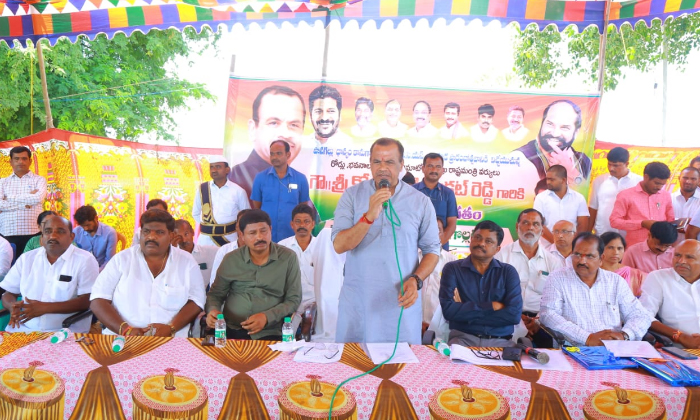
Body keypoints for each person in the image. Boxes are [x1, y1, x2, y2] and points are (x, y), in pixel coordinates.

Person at [332, 138, 440, 344]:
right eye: (377, 162)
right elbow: (339, 245)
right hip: (358, 303)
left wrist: (416, 280)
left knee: (401, 371)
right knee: (354, 366)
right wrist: (369, 215)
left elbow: (433, 250)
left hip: (399, 305)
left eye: (389, 162)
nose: (382, 168)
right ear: (370, 164)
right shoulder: (352, 196)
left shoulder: (420, 202)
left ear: (401, 165)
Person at [90, 209, 206, 337]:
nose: (151, 237)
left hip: (171, 341)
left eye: (159, 232)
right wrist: (125, 329)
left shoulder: (187, 262)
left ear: (171, 236)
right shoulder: (122, 259)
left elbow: (197, 300)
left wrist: (171, 328)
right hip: (123, 339)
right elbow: (98, 299)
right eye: (146, 231)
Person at [539, 233, 652, 346]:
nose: (582, 261)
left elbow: (640, 315)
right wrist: (587, 338)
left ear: (601, 259)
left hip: (614, 347)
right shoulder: (557, 278)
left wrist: (625, 335)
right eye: (577, 255)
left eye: (589, 256)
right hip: (574, 349)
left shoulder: (615, 282)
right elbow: (548, 315)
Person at [206, 210, 302, 340]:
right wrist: (213, 310)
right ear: (242, 235)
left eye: (264, 231)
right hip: (232, 330)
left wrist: (266, 317)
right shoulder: (231, 259)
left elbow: (293, 299)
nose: (259, 237)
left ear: (270, 230)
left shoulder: (288, 258)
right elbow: (216, 294)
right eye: (252, 233)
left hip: (271, 331)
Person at [0, 215, 99, 333]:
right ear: (42, 237)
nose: (52, 236)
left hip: (64, 333)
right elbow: (8, 293)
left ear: (71, 236)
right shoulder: (26, 259)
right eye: (48, 231)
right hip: (22, 331)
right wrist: (12, 306)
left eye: (60, 231)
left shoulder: (85, 260)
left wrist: (45, 308)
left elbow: (87, 301)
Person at [440, 220, 523, 347]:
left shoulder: (508, 272)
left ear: (497, 249)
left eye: (488, 241)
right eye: (477, 238)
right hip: (463, 339)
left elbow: (513, 315)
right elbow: (449, 311)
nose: (481, 243)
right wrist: (491, 306)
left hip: (501, 341)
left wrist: (466, 314)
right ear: (471, 239)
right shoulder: (453, 269)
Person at [495, 209, 563, 347]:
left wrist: (538, 321)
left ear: (542, 230)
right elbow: (494, 292)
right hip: (507, 317)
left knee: (550, 354)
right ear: (517, 227)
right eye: (525, 222)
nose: (530, 227)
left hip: (541, 322)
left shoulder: (553, 262)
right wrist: (514, 316)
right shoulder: (502, 257)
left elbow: (557, 298)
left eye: (535, 224)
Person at [229, 85, 306, 199]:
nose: (284, 134)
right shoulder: (236, 180)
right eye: (273, 123)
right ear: (253, 129)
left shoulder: (298, 179)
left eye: (294, 125)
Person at [513, 100, 592, 186]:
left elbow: (587, 196)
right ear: (542, 123)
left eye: (564, 128)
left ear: (576, 132)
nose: (555, 133)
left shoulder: (585, 161)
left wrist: (571, 172)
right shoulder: (519, 158)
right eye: (550, 124)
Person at [640, 240, 700, 348]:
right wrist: (681, 337)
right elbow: (643, 316)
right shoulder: (659, 278)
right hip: (680, 349)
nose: (681, 261)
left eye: (689, 257)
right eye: (677, 255)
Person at [251, 141, 311, 243]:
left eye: (278, 153)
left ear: (288, 155)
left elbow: (303, 207)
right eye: (272, 154)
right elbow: (257, 206)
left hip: (291, 235)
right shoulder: (260, 178)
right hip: (266, 235)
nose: (274, 157)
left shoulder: (300, 178)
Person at [0, 146, 48, 263]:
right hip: (7, 233)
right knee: (9, 269)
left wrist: (9, 198)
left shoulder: (39, 180)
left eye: (24, 158)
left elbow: (38, 197)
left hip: (33, 233)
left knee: (33, 267)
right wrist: (25, 203)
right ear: (10, 161)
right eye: (16, 159)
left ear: (30, 161)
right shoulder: (2, 182)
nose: (20, 162)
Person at [610, 161, 674, 247]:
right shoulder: (626, 195)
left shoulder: (665, 195)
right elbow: (614, 222)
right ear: (646, 177)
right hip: (635, 249)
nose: (659, 187)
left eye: (662, 184)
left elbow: (671, 220)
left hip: (660, 249)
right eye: (657, 183)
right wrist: (642, 223)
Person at [193, 156, 250, 247]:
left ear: (227, 170)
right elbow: (195, 213)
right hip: (205, 241)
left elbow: (246, 217)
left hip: (229, 240)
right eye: (211, 167)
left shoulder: (238, 191)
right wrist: (210, 228)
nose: (214, 170)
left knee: (228, 261)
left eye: (218, 167)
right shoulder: (202, 189)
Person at [278, 204, 317, 333]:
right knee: (286, 341)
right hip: (289, 304)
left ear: (313, 224)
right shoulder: (282, 247)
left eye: (306, 222)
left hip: (315, 304)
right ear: (292, 225)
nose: (302, 225)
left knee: (316, 342)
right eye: (298, 222)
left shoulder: (322, 247)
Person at [588, 147, 643, 235]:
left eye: (616, 165)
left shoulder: (639, 182)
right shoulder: (599, 181)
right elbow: (593, 208)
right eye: (609, 164)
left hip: (629, 235)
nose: (611, 168)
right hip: (603, 233)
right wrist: (588, 233)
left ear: (627, 163)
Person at [533, 165, 589, 243]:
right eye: (547, 179)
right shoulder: (540, 198)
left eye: (551, 180)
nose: (548, 182)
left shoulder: (579, 198)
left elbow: (583, 225)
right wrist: (556, 243)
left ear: (563, 180)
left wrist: (573, 244)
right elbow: (538, 224)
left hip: (571, 249)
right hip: (547, 247)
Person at [414, 153, 457, 251]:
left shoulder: (448, 193)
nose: (434, 170)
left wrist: (438, 244)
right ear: (423, 168)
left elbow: (452, 224)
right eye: (430, 166)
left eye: (438, 167)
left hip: (440, 248)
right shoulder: (412, 191)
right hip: (414, 248)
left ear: (442, 170)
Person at [421, 218, 457, 326]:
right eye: (429, 230)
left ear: (443, 233)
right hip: (412, 323)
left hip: (440, 326)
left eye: (438, 230)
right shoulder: (411, 257)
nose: (433, 234)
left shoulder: (453, 262)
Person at [172, 219, 218, 290]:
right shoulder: (172, 257)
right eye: (179, 237)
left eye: (186, 234)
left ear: (192, 232)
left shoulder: (210, 252)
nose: (184, 240)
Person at [600, 232, 647, 297]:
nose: (616, 252)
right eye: (610, 248)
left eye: (619, 248)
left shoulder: (636, 275)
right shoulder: (592, 273)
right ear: (600, 249)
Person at [210, 209, 249, 287]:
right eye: (241, 224)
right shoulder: (224, 251)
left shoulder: (262, 250)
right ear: (236, 227)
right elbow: (214, 283)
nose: (243, 228)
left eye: (248, 224)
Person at [72, 205, 118, 270]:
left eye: (88, 225)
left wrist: (96, 273)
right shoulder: (75, 232)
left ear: (96, 218)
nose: (85, 228)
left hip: (102, 271)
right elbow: (73, 255)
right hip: (81, 270)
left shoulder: (110, 233)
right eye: (82, 226)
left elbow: (109, 260)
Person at [672, 167, 700, 241]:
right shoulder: (669, 198)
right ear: (679, 178)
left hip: (695, 249)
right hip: (669, 248)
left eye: (693, 179)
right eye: (685, 178)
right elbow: (663, 221)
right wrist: (688, 221)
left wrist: (677, 222)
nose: (688, 181)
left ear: (699, 180)